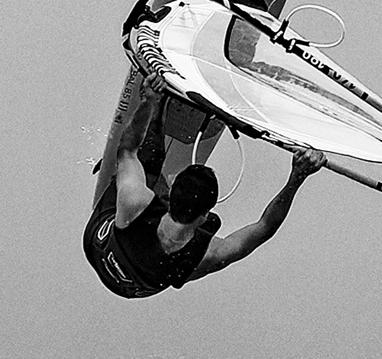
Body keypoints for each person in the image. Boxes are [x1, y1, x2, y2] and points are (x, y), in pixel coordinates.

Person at [85, 104, 318, 297]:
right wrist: (297, 177)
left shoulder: (134, 203)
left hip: (99, 244)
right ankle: (152, 130)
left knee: (147, 161)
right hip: (137, 287)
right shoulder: (208, 255)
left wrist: (149, 99)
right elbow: (264, 227)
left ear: (170, 193)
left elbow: (126, 150)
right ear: (203, 214)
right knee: (210, 229)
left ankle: (159, 106)